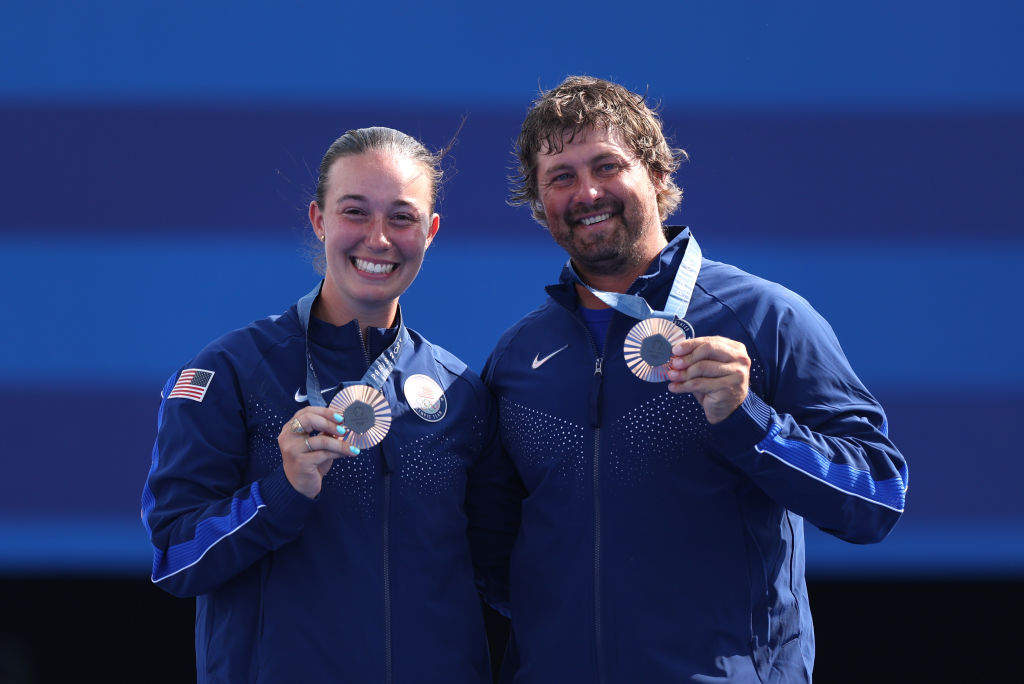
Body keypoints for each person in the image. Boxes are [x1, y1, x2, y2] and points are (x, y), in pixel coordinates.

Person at [482, 76, 909, 682]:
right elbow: (497, 546)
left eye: (608, 165)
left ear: (657, 174)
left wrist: (750, 421)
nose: (588, 192)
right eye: (561, 177)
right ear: (538, 200)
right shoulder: (519, 355)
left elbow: (877, 499)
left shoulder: (767, 319)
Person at [142, 126, 512, 683]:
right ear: (320, 220)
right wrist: (279, 493)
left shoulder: (461, 394)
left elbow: (506, 571)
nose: (379, 239)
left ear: (430, 232)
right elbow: (175, 556)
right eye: (356, 212)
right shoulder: (233, 373)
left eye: (402, 217)